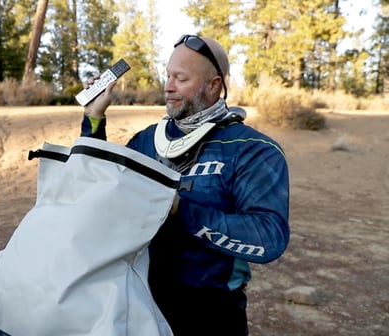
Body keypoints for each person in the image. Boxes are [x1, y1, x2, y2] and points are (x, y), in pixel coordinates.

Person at [79, 35, 290, 335]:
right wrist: (94, 119)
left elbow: (269, 238)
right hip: (140, 303)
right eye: (167, 76)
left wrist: (181, 208)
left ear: (214, 85)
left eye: (181, 78)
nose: (168, 86)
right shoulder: (146, 141)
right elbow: (97, 192)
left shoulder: (252, 149)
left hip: (212, 314)